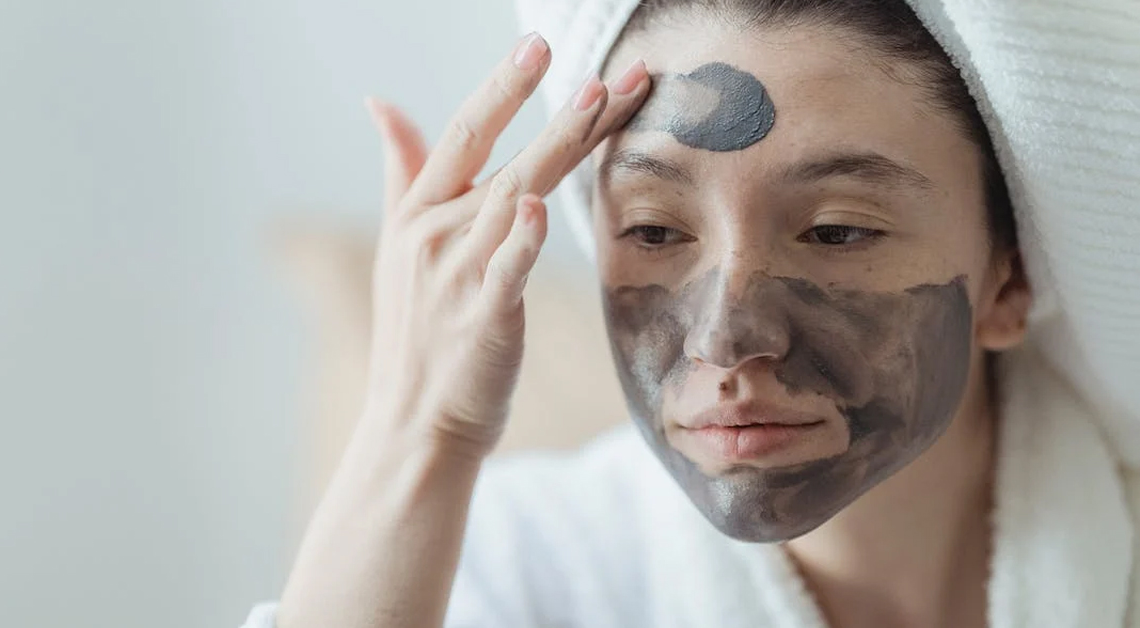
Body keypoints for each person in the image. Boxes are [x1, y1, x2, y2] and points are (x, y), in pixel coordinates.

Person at [243, 0, 1140, 626]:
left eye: (834, 232)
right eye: (654, 229)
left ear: (1010, 282)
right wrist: (421, 428)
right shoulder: (521, 573)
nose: (722, 337)